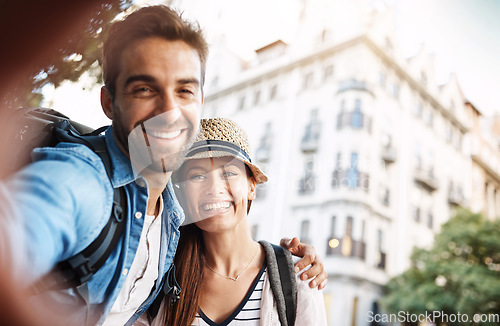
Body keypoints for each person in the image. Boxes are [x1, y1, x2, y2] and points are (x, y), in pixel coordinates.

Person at [0, 5, 326, 326]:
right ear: (109, 102)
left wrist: (290, 258)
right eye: (145, 88)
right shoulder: (81, 179)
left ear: (199, 101)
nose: (168, 110)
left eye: (183, 90)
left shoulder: (171, 220)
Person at [139, 118, 327, 326]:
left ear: (251, 187)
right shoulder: (159, 275)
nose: (214, 188)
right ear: (183, 194)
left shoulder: (298, 277)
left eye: (228, 173)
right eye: (197, 176)